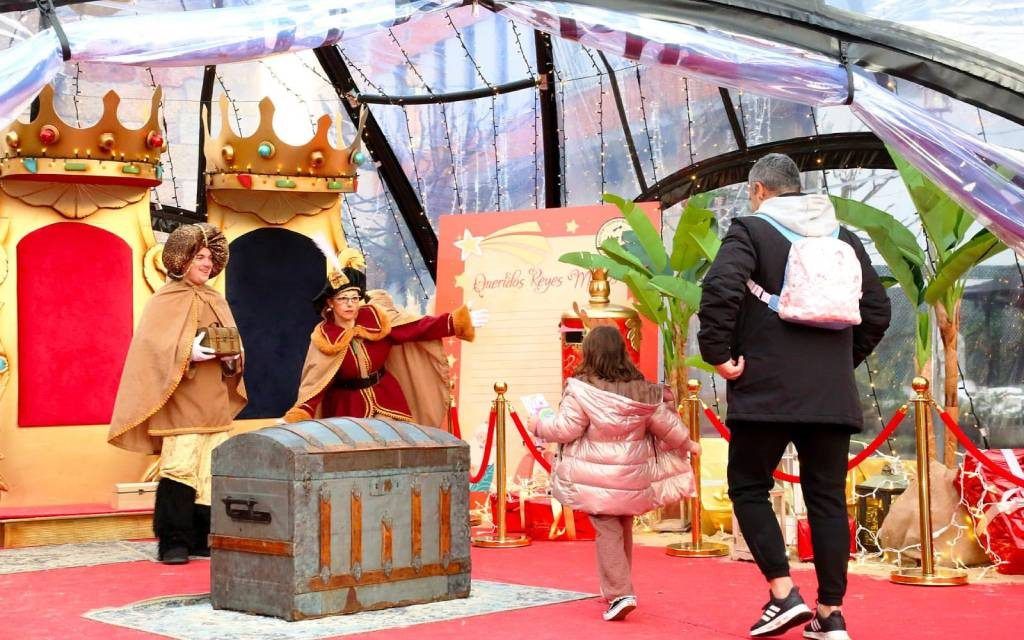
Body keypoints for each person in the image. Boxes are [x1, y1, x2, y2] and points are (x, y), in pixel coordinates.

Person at [697, 153, 891, 639]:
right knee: (827, 499)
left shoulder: (750, 230)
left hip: (765, 390)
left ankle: (783, 593)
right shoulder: (843, 237)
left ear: (759, 190)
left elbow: (720, 287)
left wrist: (718, 353)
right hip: (829, 396)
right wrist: (839, 363)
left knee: (748, 486)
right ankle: (831, 614)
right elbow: (877, 310)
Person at [530, 325, 699, 622]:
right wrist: (689, 444)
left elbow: (565, 429)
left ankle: (620, 592)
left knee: (607, 531)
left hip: (598, 479)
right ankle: (618, 586)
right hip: (633, 476)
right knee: (623, 527)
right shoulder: (642, 390)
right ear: (621, 352)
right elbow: (667, 425)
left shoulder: (582, 390)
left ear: (590, 353)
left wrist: (537, 423)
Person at [108, 223, 247, 565]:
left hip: (214, 402)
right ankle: (173, 542)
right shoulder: (165, 299)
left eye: (210, 258)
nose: (207, 263)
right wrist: (189, 352)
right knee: (180, 466)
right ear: (182, 259)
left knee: (210, 471)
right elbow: (151, 349)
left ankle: (202, 538)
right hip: (181, 400)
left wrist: (232, 358)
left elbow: (234, 347)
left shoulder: (216, 299)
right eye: (200, 257)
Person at [283, 247, 487, 426]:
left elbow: (417, 328)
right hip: (347, 408)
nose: (350, 304)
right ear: (330, 303)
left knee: (398, 440)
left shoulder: (376, 319)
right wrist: (301, 412)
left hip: (386, 398)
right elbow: (316, 381)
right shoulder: (325, 337)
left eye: (354, 298)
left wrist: (456, 322)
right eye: (343, 299)